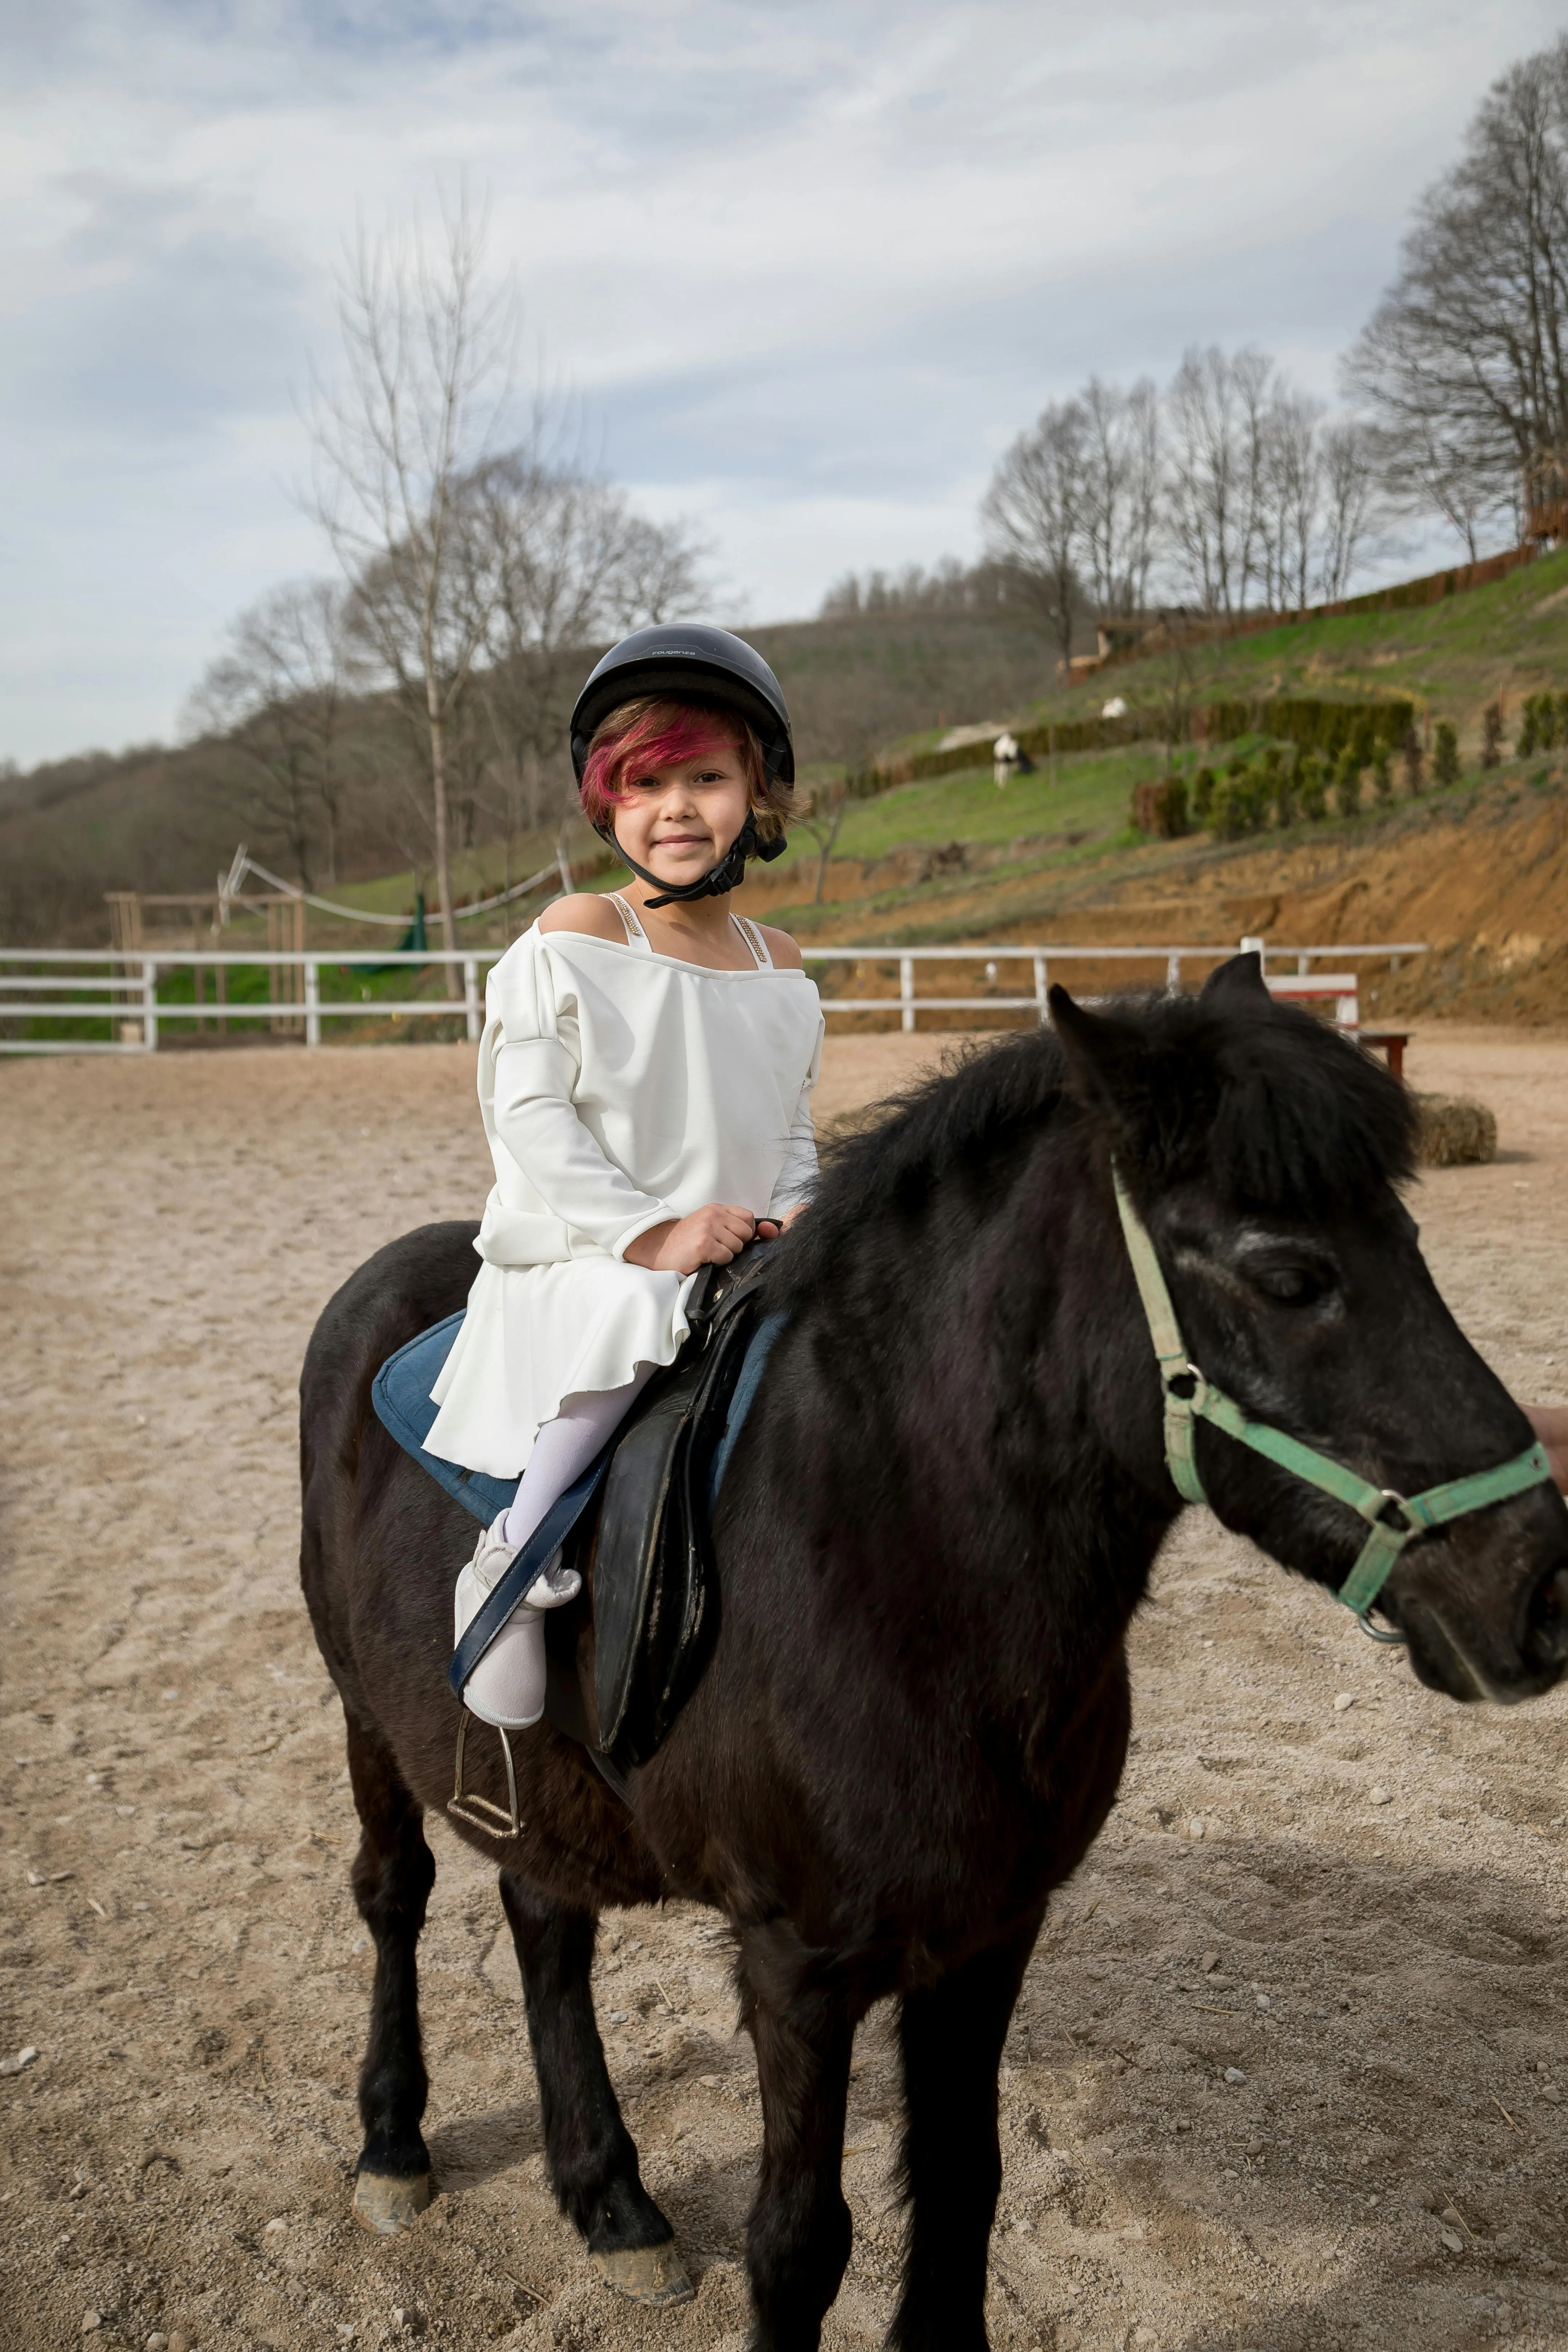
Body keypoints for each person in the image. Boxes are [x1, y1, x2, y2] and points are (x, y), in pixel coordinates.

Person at [425, 625, 824, 1732]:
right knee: (638, 1313)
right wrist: (649, 1235)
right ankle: (511, 1560)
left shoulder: (778, 963)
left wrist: (799, 1206)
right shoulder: (575, 936)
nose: (677, 808)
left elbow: (787, 1125)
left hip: (738, 1242)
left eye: (706, 777)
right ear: (607, 803)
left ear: (758, 792)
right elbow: (530, 1118)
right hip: (590, 1254)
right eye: (645, 784)